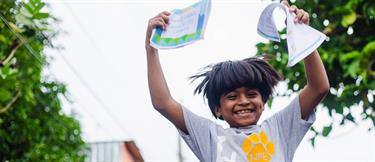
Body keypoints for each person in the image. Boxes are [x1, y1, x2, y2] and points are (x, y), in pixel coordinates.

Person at [145, 1, 329, 161]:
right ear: (217, 108)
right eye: (232, 97)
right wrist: (151, 48)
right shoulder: (210, 137)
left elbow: (318, 88)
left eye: (251, 94)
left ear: (263, 103)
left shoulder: (280, 128)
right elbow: (163, 103)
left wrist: (301, 32)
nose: (243, 101)